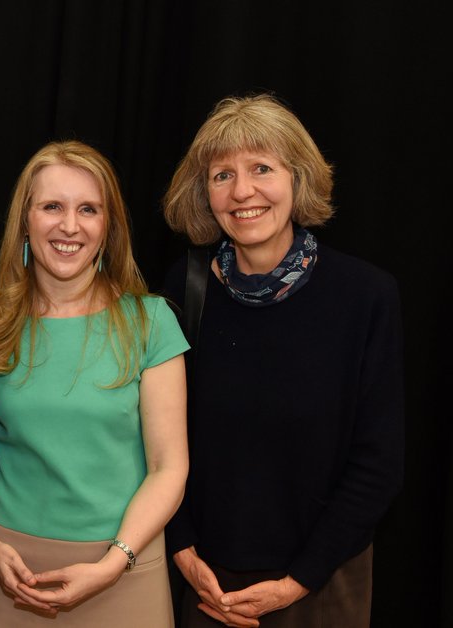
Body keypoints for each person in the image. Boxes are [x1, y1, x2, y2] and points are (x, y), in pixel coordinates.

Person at [161, 94, 404, 627]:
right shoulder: (184, 288)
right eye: (222, 175)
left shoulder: (364, 296)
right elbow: (158, 434)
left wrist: (300, 581)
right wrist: (180, 548)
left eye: (261, 169)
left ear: (298, 179)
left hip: (323, 582)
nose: (242, 191)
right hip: (208, 583)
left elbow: (379, 460)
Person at [0, 140, 189, 626]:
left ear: (107, 227)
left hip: (124, 568)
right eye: (52, 206)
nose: (69, 226)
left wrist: (113, 564)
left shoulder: (151, 322)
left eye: (88, 209)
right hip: (8, 572)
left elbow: (168, 467)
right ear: (25, 219)